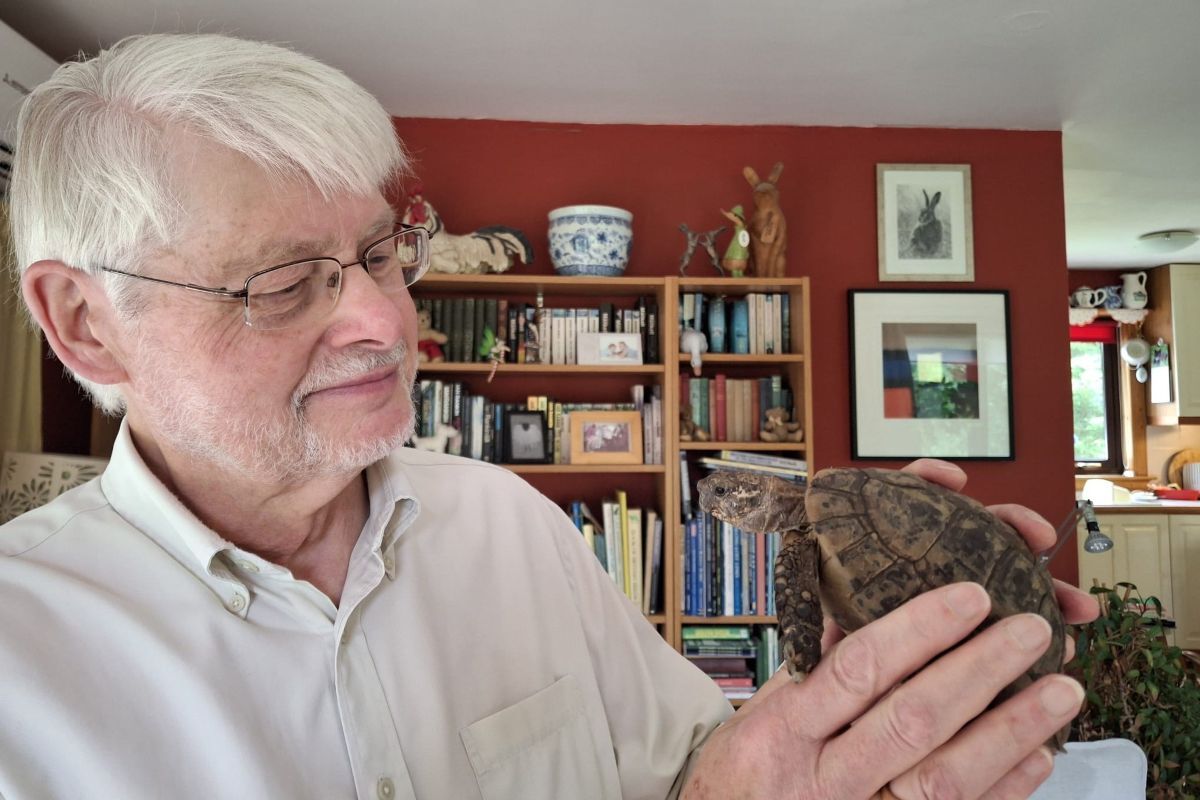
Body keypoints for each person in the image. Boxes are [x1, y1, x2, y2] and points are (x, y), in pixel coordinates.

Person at [2, 33, 1096, 800]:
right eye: (285, 281)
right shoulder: (25, 660)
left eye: (385, 251)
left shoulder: (511, 522)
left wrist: (841, 699)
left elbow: (692, 773)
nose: (387, 318)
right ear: (86, 323)